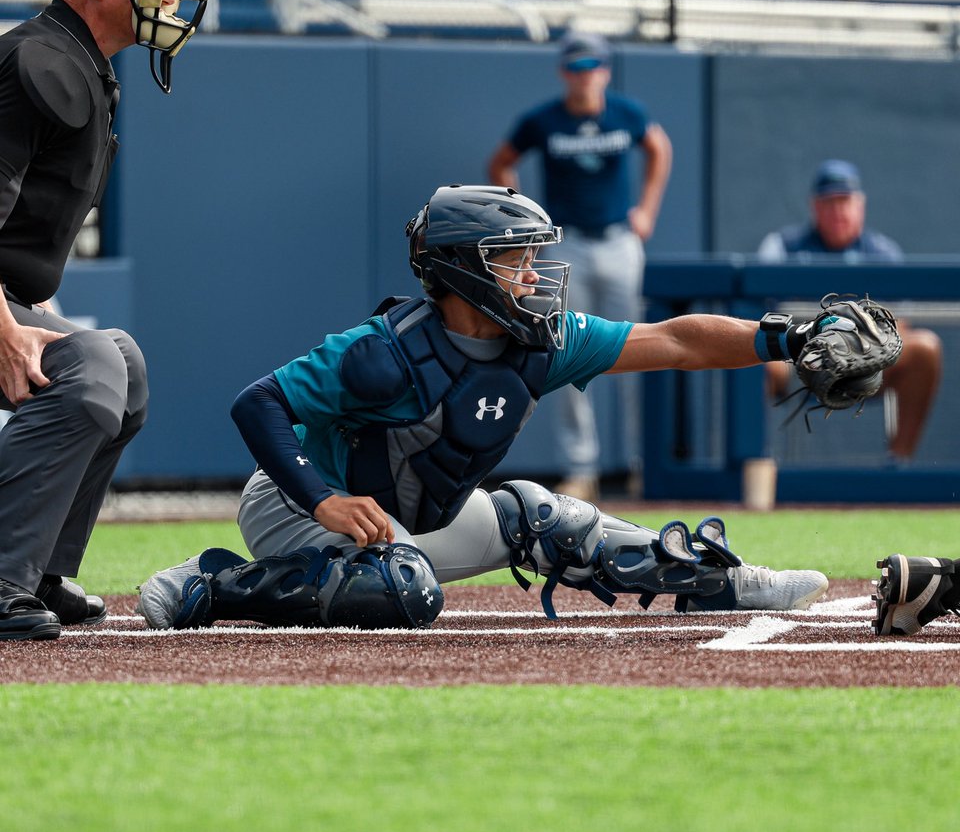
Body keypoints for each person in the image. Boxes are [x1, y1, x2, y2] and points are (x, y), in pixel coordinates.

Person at [137, 184, 839, 635]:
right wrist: (324, 501)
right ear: (463, 267)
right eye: (514, 259)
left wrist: (792, 338)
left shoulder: (545, 342)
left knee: (546, 517)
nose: (534, 275)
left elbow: (678, 341)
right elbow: (257, 402)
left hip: (409, 520)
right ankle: (216, 582)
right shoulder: (380, 353)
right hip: (295, 507)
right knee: (400, 590)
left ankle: (720, 583)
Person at [0, 0, 211, 641]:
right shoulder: (39, 62)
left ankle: (37, 569)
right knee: (89, 369)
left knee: (123, 365)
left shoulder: (75, 62)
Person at [487, 31, 672, 501]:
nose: (584, 76)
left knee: (640, 345)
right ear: (563, 72)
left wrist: (647, 210)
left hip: (619, 239)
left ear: (605, 71)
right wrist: (526, 222)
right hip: (567, 244)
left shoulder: (626, 112)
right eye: (575, 67)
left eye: (592, 66)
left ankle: (643, 464)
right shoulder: (543, 120)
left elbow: (658, 147)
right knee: (566, 348)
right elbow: (501, 163)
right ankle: (581, 469)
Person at [757, 159, 941, 460]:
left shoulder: (883, 253)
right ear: (815, 207)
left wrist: (861, 349)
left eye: (845, 201)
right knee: (754, 360)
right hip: (796, 359)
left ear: (860, 205)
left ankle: (898, 465)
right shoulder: (782, 247)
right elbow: (760, 317)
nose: (838, 211)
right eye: (829, 203)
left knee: (925, 348)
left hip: (866, 362)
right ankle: (755, 466)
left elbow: (901, 326)